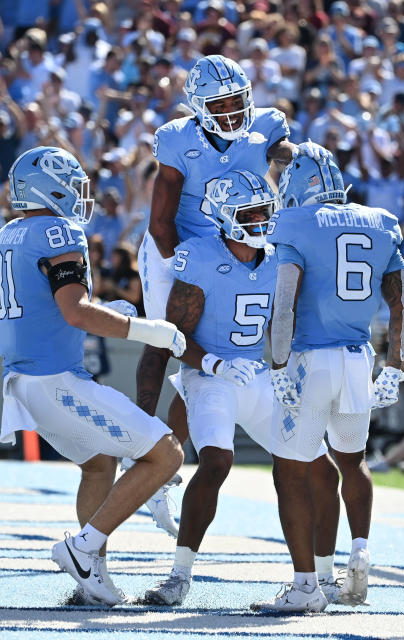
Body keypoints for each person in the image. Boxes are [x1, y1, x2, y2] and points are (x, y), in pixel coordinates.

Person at [135, 54, 327, 533]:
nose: (232, 112)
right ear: (198, 108)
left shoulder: (264, 125)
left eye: (237, 101)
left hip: (235, 242)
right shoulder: (179, 139)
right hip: (176, 245)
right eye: (219, 104)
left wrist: (298, 154)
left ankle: (166, 459)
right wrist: (197, 269)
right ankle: (139, 444)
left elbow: (280, 148)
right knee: (166, 341)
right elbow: (161, 223)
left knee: (205, 362)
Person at [0, 146, 185, 606]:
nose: (80, 197)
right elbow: (75, 312)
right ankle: (82, 549)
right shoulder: (59, 231)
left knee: (99, 464)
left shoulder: (9, 233)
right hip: (57, 381)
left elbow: (49, 308)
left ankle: (91, 579)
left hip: (23, 383)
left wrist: (106, 311)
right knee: (167, 456)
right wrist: (146, 330)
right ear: (50, 186)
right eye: (72, 186)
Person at [142, 169, 342, 607]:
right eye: (250, 214)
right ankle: (179, 576)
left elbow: (286, 322)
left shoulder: (277, 258)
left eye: (265, 212)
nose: (261, 222)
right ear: (224, 217)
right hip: (209, 375)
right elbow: (175, 334)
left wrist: (287, 371)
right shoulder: (199, 256)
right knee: (216, 462)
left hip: (256, 376)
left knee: (321, 468)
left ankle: (320, 579)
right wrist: (212, 362)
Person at [254, 153, 404, 612]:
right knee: (352, 459)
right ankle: (359, 550)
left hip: (310, 359)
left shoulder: (295, 224)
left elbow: (284, 304)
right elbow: (402, 302)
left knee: (291, 470)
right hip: (357, 358)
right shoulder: (379, 221)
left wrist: (279, 365)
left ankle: (306, 586)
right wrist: (396, 364)